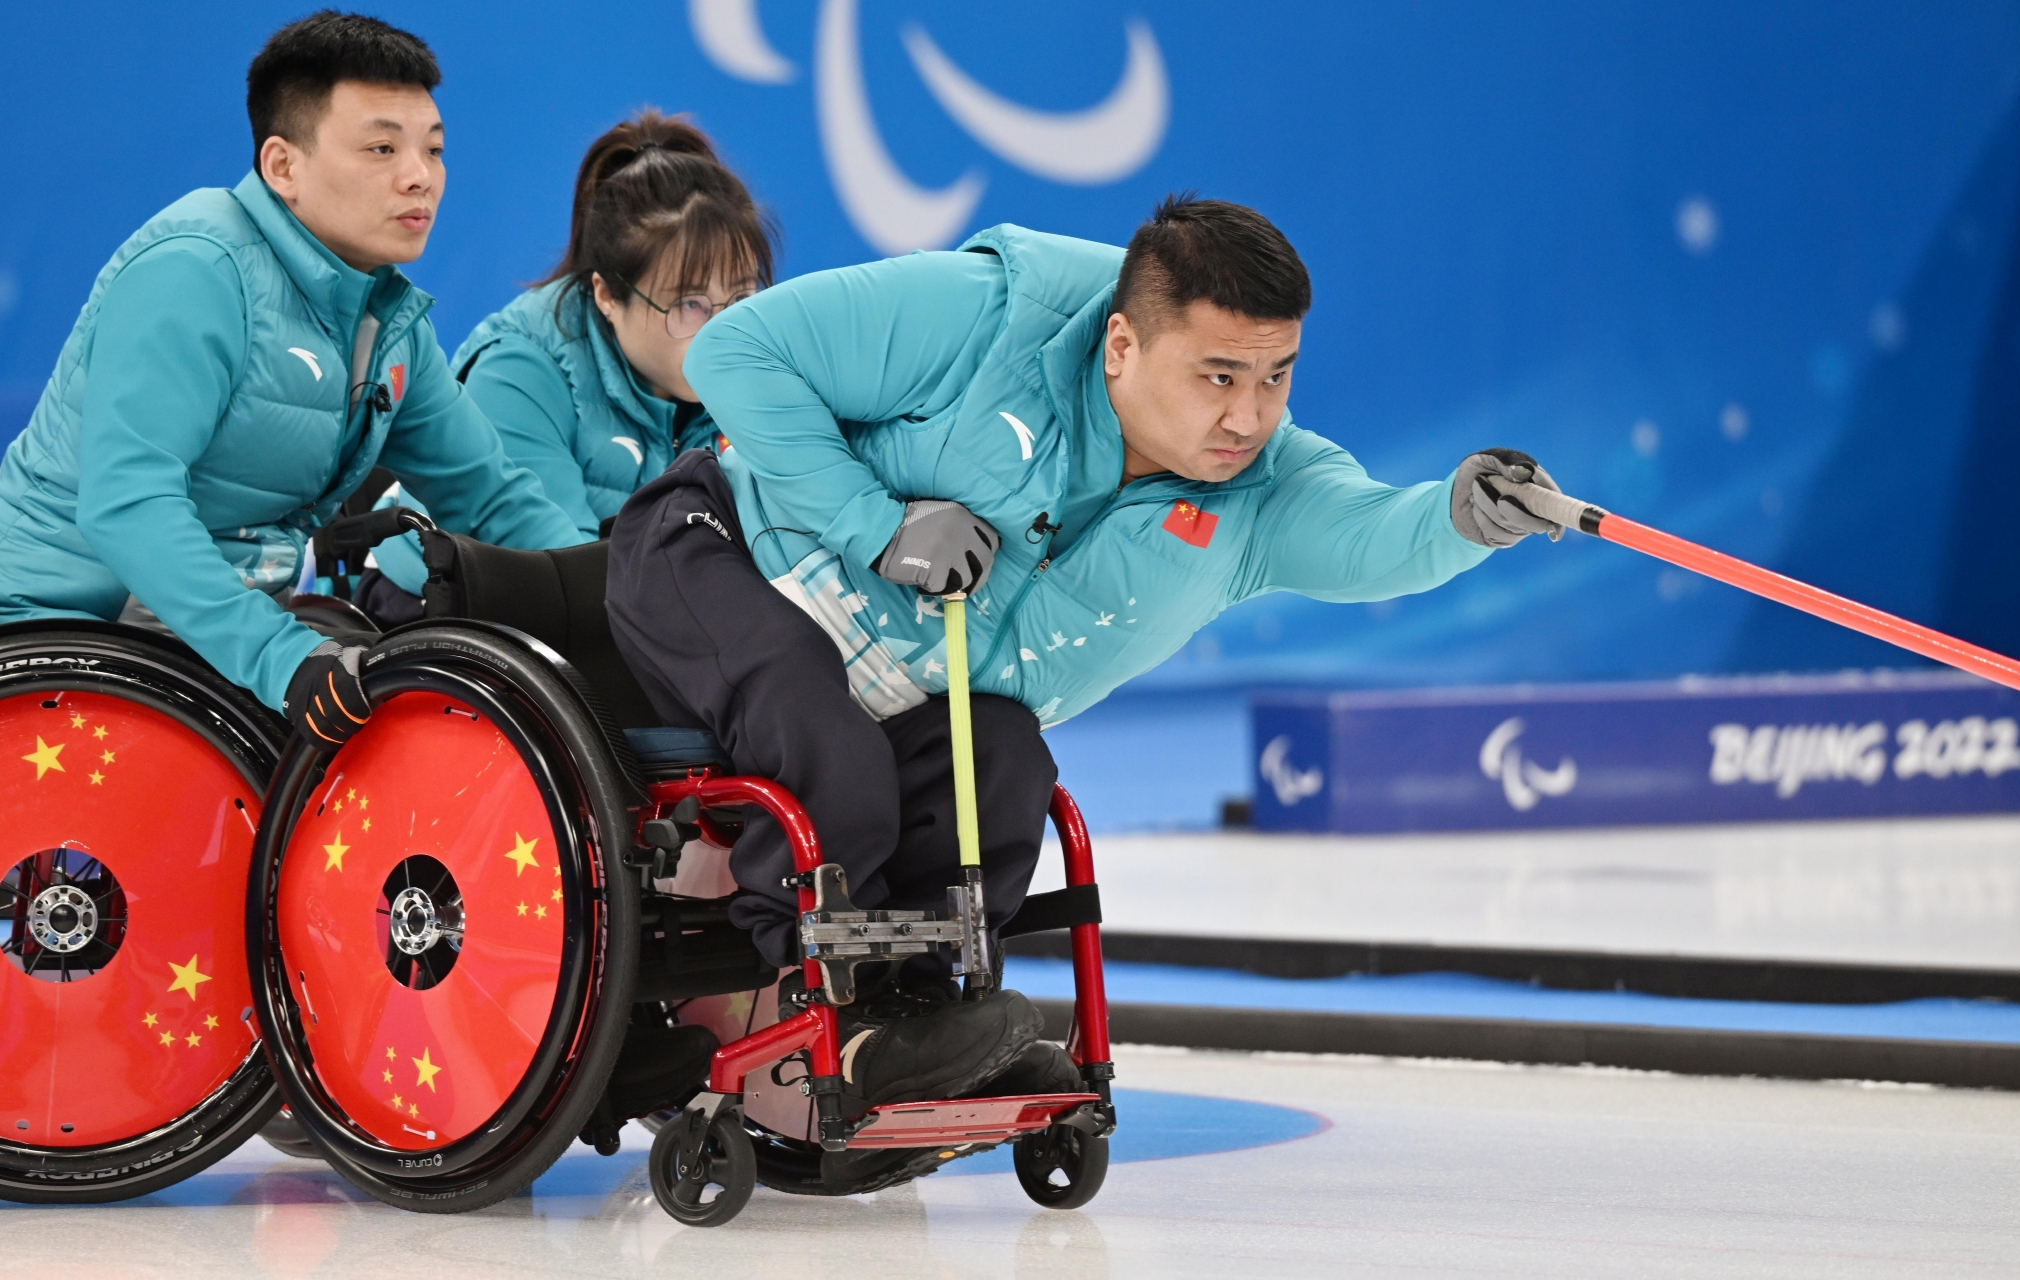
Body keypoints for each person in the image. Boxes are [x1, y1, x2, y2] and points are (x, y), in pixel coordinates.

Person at [607, 196, 1564, 1116]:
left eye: (1277, 377)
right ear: (1122, 346)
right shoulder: (995, 310)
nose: (1248, 418)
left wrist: (1460, 516)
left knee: (1005, 758)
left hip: (900, 683)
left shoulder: (1262, 491)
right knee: (826, 741)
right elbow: (737, 350)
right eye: (1219, 376)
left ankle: (920, 1016)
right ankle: (832, 1010)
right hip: (722, 549)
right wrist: (875, 524)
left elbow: (1373, 532)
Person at [0, 10, 582, 746]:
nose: (420, 176)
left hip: (206, 642)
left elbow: (493, 499)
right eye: (381, 147)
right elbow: (127, 507)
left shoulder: (385, 315)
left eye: (433, 150)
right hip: (69, 633)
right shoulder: (196, 269)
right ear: (283, 167)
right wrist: (281, 658)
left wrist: (618, 604)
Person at [357, 109, 774, 623]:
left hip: (638, 611)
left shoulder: (755, 352)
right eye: (689, 305)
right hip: (451, 607)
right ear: (606, 294)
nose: (722, 333)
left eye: (741, 297)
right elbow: (563, 576)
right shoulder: (517, 371)